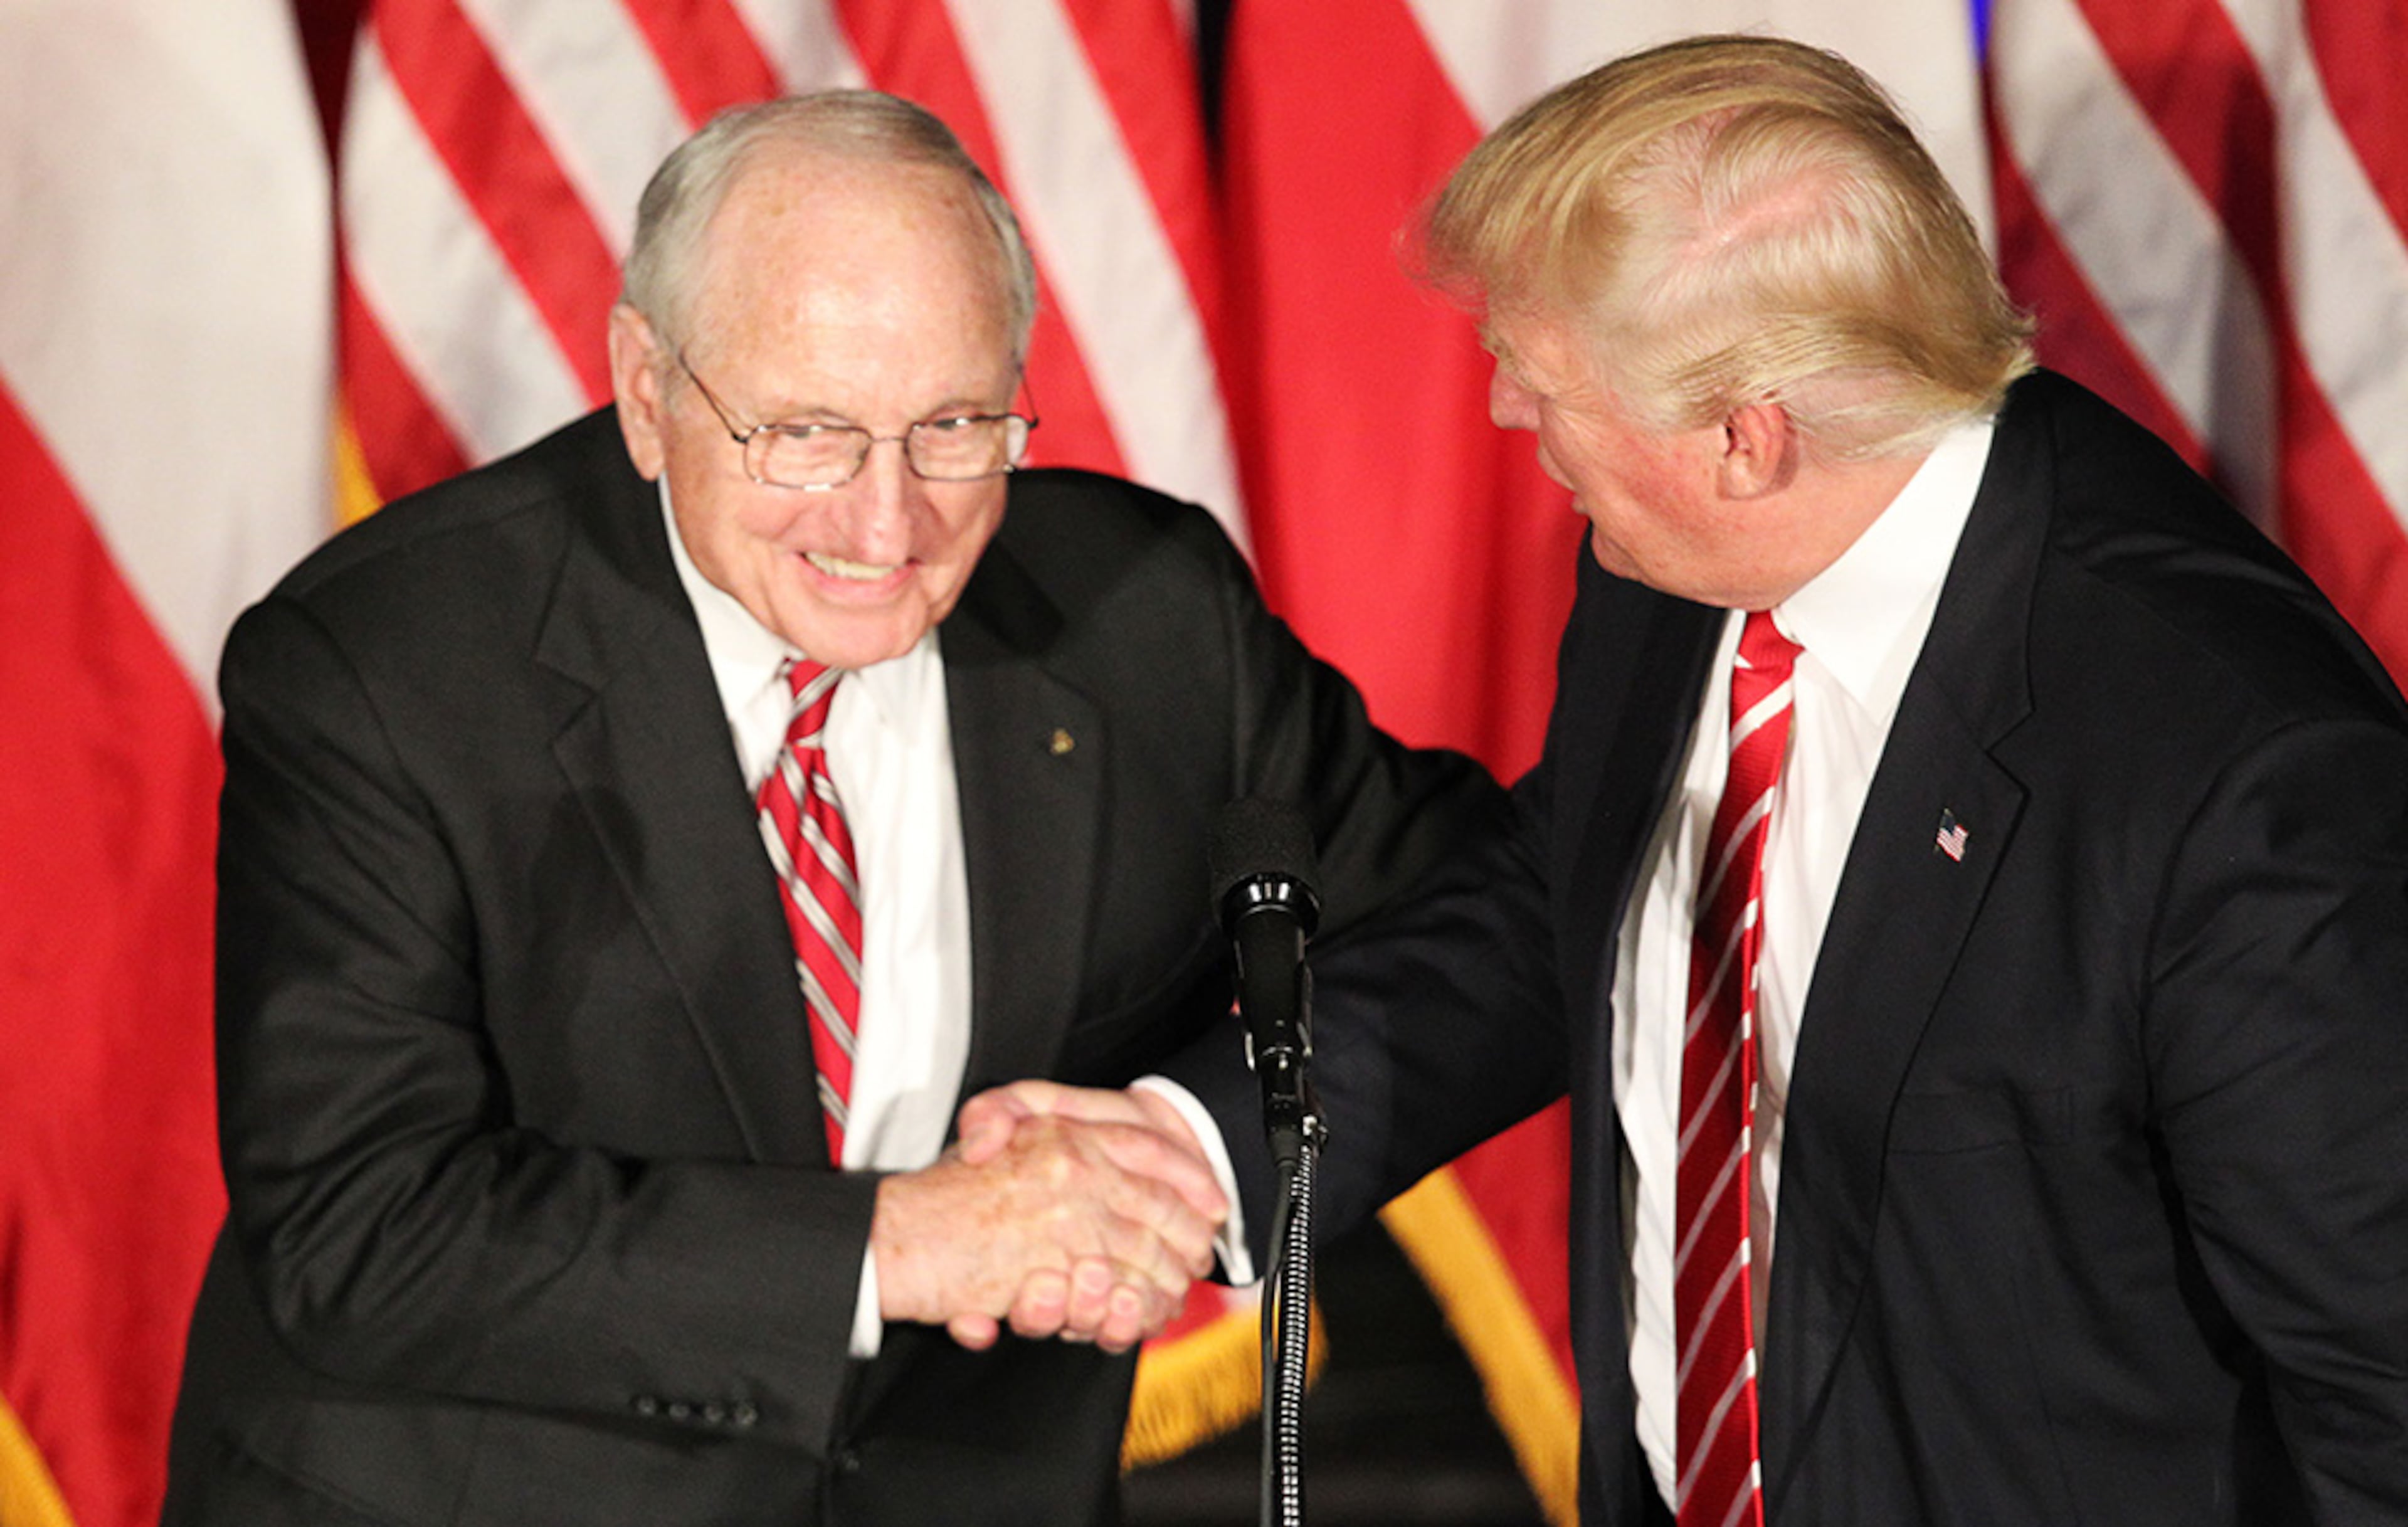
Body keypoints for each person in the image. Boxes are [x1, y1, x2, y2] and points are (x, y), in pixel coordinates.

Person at [981, 32, 2408, 1526]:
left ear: (1744, 439)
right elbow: (1576, 902)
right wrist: (1202, 1143)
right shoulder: (1688, 557)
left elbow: (2379, 1390)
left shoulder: (2239, 778)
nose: (1505, 421)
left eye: (1539, 383)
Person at [159, 91, 1502, 1526]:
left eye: (954, 425)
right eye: (806, 432)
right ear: (645, 388)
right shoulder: (389, 666)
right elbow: (363, 1233)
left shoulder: (1146, 615)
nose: (886, 524)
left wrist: (1196, 1143)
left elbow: (1499, 923)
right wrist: (902, 1246)